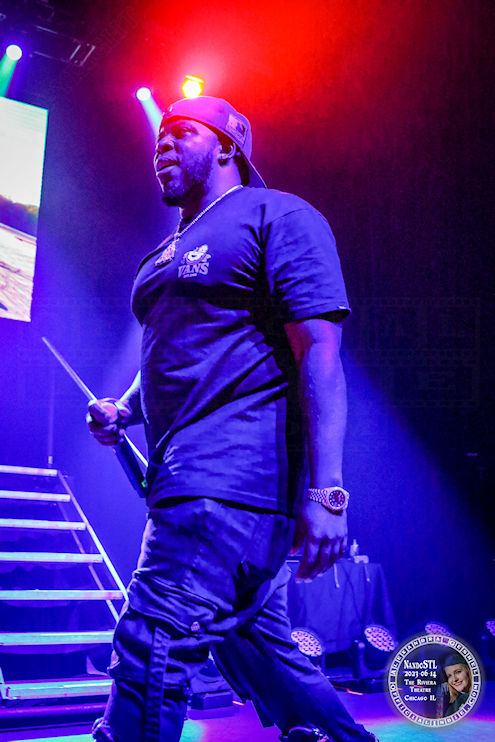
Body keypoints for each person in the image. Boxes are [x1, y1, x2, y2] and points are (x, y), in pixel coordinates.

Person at [87, 96, 378, 742]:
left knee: (152, 643)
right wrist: (126, 409)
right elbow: (174, 350)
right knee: (265, 653)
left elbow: (319, 351)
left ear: (228, 145)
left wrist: (328, 493)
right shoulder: (161, 255)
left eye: (180, 133)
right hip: (186, 483)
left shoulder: (277, 216)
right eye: (158, 137)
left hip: (229, 486)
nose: (161, 145)